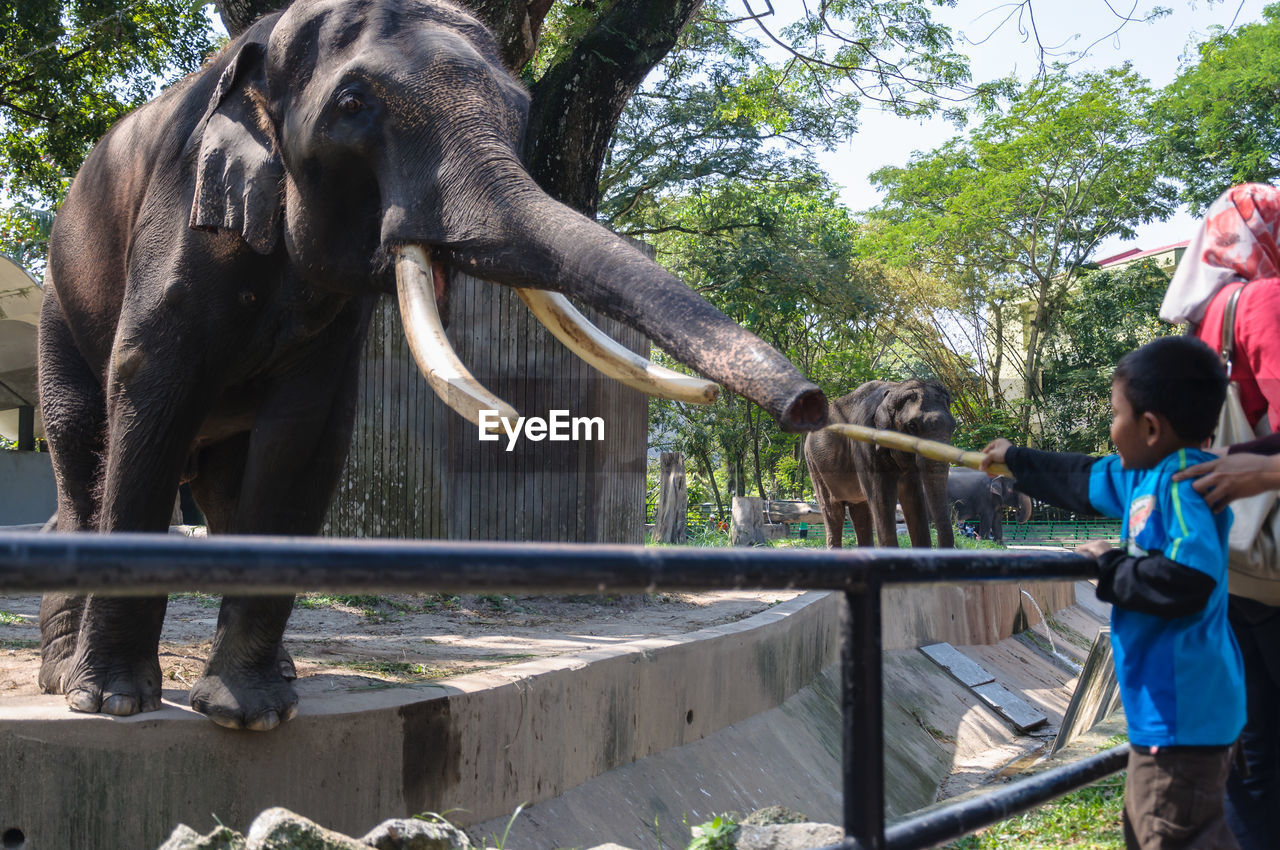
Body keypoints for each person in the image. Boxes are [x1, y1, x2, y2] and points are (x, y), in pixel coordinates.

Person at [980, 335, 1244, 850]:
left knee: (1169, 833)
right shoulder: (1143, 475)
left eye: (1114, 413)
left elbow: (1189, 582)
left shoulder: (1183, 484)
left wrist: (1108, 565)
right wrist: (1016, 458)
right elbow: (1081, 477)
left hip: (1184, 713)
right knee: (1154, 829)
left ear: (1150, 426)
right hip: (1171, 716)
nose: (1110, 427)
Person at [1161, 183, 1280, 850]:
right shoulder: (1266, 301)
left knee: (1254, 753)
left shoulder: (1205, 321)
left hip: (1225, 561)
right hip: (1272, 559)